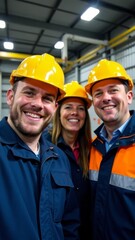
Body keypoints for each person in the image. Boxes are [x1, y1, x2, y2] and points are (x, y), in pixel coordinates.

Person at [0, 53, 80, 240]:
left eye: (47, 98)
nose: (37, 104)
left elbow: (70, 225)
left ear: (55, 106)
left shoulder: (59, 159)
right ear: (10, 96)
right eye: (29, 93)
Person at [85, 59, 135, 240]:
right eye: (98, 93)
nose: (106, 98)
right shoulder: (93, 147)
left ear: (129, 96)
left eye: (113, 90)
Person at [45, 81, 92, 239]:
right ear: (58, 111)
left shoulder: (92, 150)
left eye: (80, 108)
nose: (75, 113)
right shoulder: (44, 147)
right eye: (68, 107)